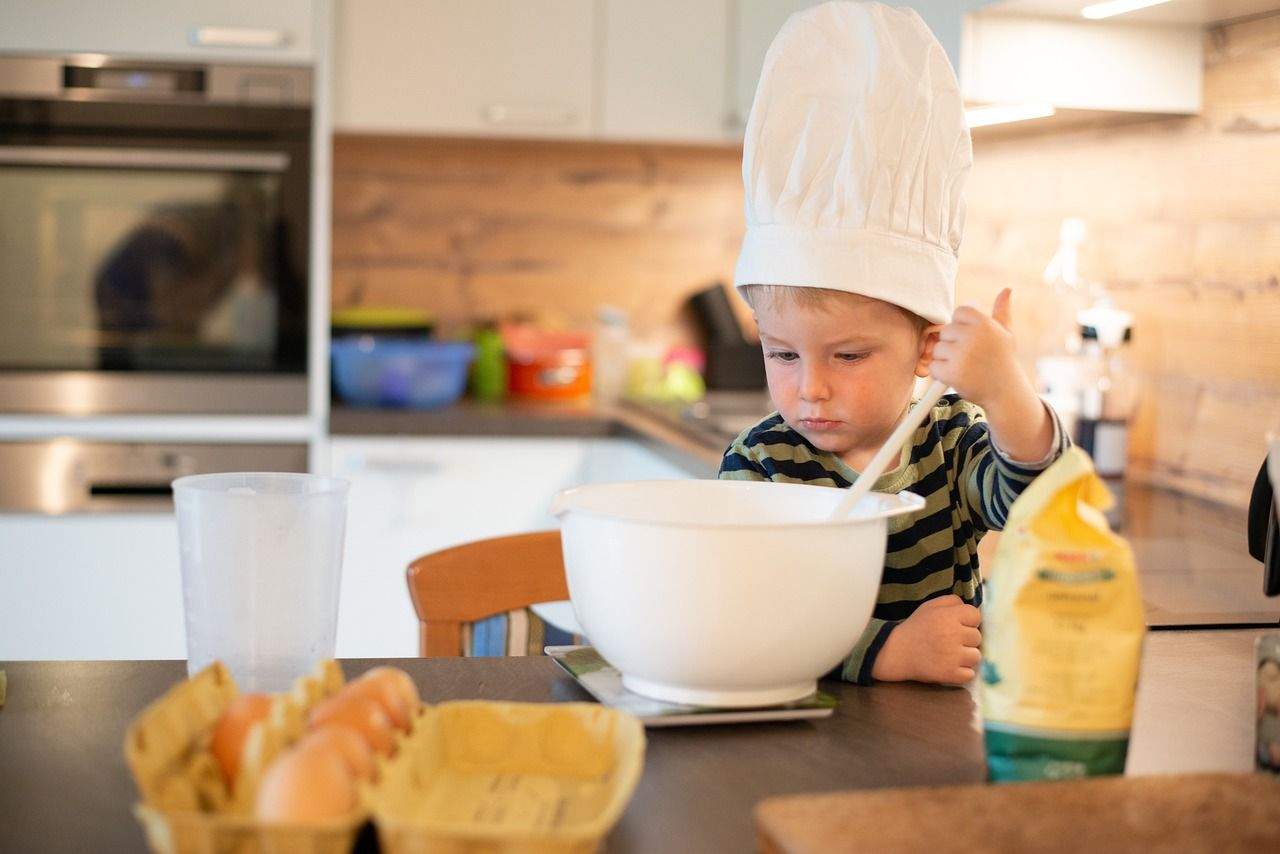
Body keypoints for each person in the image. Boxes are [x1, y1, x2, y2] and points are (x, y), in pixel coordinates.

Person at [718, 1, 1068, 686]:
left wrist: (1004, 392)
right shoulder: (760, 464)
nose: (809, 387)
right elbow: (747, 615)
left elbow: (1037, 503)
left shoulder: (948, 441)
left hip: (937, 752)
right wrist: (888, 654)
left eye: (847, 356)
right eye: (782, 353)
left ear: (928, 347)